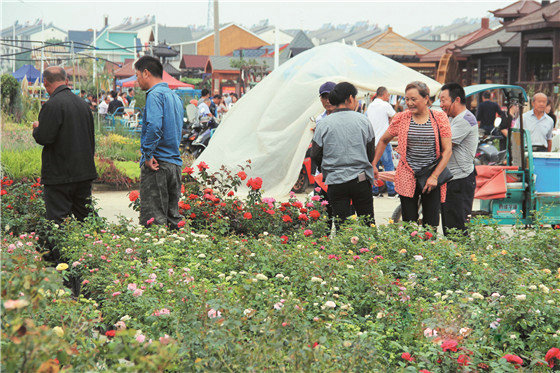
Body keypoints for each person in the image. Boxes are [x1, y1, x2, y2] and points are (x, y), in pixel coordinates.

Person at [373, 81, 452, 228]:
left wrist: (434, 177)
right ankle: (410, 250)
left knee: (431, 221)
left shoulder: (439, 118)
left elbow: (447, 150)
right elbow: (383, 140)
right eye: (407, 99)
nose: (409, 103)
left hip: (431, 175)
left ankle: (429, 249)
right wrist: (373, 164)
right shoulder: (401, 118)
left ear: (426, 98)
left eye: (413, 99)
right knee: (409, 221)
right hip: (407, 174)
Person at [32, 66, 97, 223]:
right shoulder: (83, 105)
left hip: (59, 175)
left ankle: (58, 248)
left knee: (58, 220)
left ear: (45, 82)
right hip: (83, 172)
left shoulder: (52, 105)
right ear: (66, 81)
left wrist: (36, 128)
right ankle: (100, 243)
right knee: (86, 217)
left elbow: (44, 137)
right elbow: (90, 137)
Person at [311, 82, 375, 228]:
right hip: (361, 179)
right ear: (350, 98)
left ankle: (344, 251)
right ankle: (370, 250)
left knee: (342, 225)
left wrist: (326, 169)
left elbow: (315, 154)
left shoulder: (323, 124)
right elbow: (370, 152)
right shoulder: (364, 121)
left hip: (335, 180)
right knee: (368, 223)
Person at [135, 55, 184, 229]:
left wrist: (148, 154)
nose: (137, 81)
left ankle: (151, 257)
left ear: (146, 73)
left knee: (153, 222)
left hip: (158, 165)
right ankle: (179, 255)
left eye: (138, 76)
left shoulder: (154, 95)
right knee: (173, 220)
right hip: (174, 165)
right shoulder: (175, 97)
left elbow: (155, 126)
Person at [438, 83, 478, 236]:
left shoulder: (465, 119)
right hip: (451, 179)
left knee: (458, 229)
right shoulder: (453, 118)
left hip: (460, 180)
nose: (441, 105)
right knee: (450, 226)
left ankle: (465, 259)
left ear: (456, 100)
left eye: (443, 100)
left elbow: (444, 144)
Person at [366, 86, 396, 198]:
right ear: (383, 94)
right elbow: (395, 117)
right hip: (383, 141)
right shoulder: (385, 105)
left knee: (374, 167)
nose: (388, 97)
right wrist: (391, 129)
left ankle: (375, 191)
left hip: (371, 141)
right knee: (389, 166)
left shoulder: (370, 106)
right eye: (388, 95)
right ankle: (391, 192)